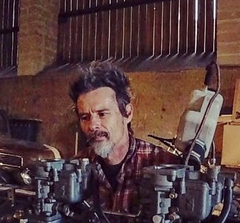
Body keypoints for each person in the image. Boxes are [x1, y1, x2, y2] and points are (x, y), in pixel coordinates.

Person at [69, 61, 179, 214]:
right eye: (85, 117)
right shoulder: (75, 168)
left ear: (127, 113)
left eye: (102, 114)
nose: (92, 125)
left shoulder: (163, 163)